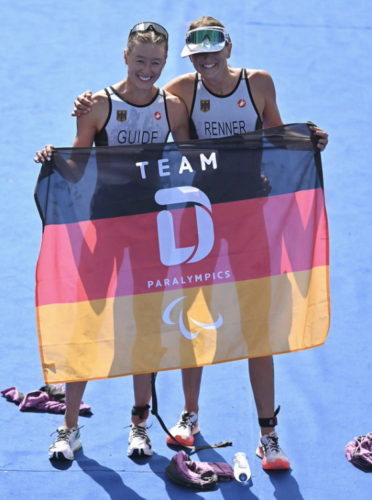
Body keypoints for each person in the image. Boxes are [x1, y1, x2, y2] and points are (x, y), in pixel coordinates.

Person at [71, 16, 329, 471]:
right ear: (188, 57)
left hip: (250, 217)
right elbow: (146, 108)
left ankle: (269, 435)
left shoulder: (260, 83)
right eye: (198, 56)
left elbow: (275, 136)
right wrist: (86, 105)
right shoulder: (180, 93)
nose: (206, 62)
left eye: (213, 52)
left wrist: (308, 141)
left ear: (229, 47)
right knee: (196, 315)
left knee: (257, 326)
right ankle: (189, 415)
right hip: (204, 219)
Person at [34, 22, 191, 461]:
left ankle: (139, 425)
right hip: (104, 226)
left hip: (149, 228)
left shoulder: (173, 108)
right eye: (140, 60)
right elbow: (78, 166)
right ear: (125, 56)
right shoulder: (98, 105)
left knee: (145, 325)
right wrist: (54, 158)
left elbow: (201, 161)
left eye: (156, 63)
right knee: (88, 319)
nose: (147, 70)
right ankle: (69, 428)